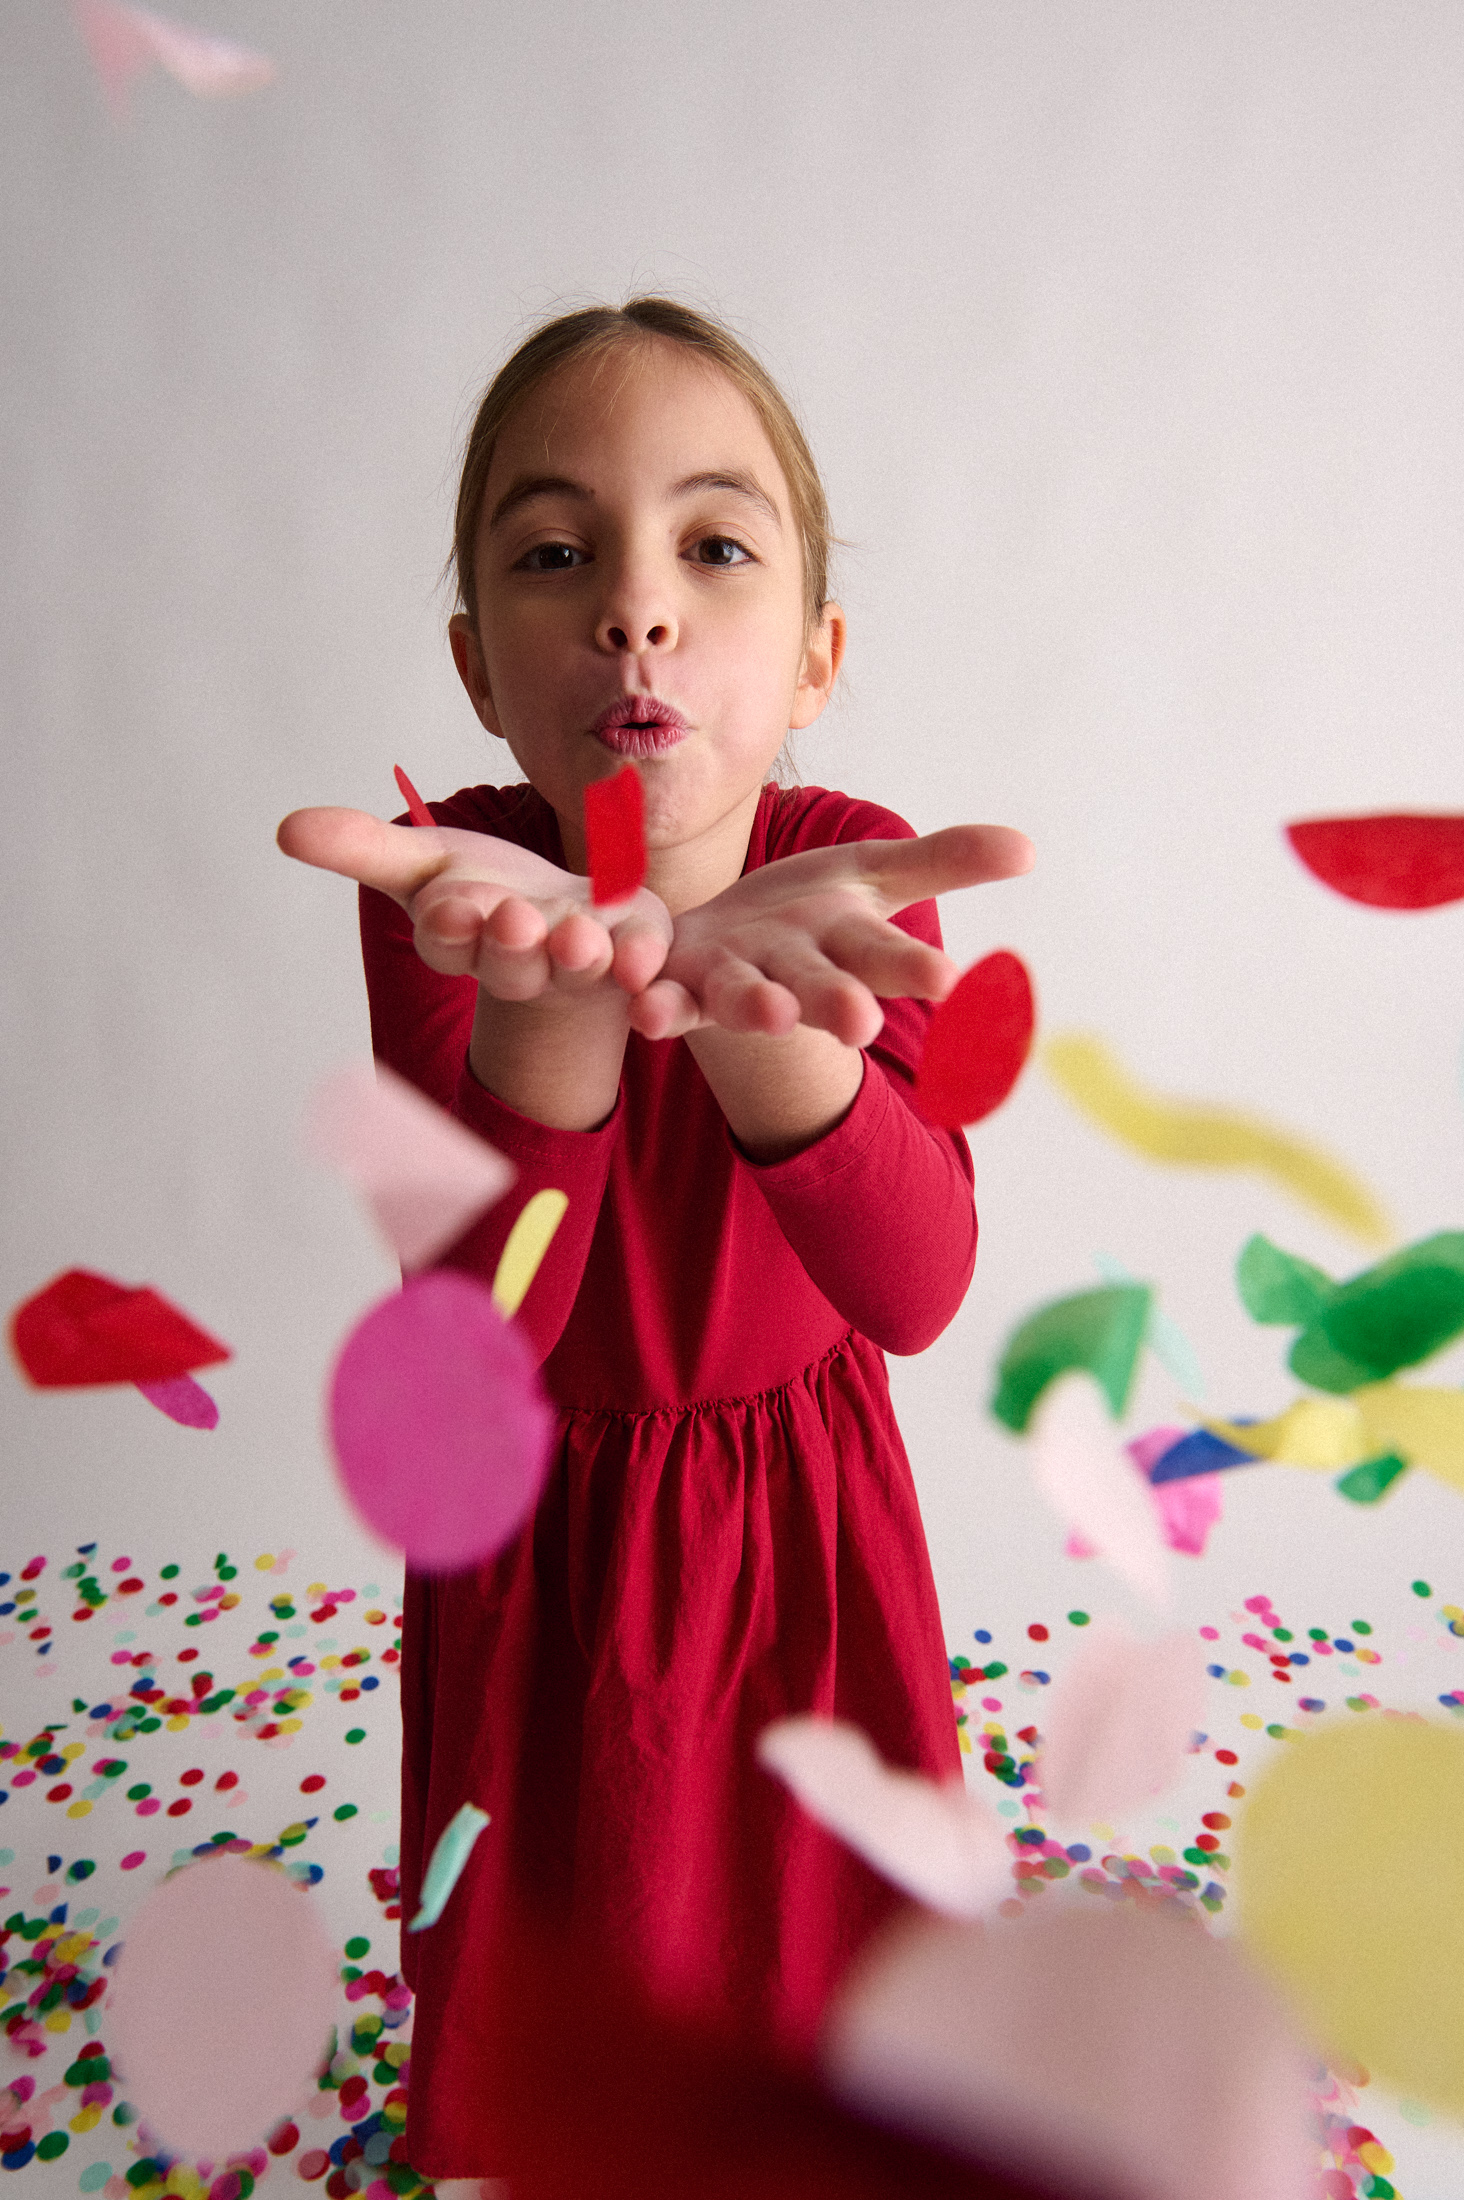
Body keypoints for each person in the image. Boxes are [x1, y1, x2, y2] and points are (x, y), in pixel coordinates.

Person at [277, 297, 1033, 2188]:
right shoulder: (446, 892)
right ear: (477, 663)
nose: (635, 609)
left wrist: (763, 1019)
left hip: (798, 1526)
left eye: (713, 547)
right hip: (551, 1550)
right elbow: (480, 1346)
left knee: (817, 1949)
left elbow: (918, 1290)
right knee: (578, 1943)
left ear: (817, 654)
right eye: (557, 554)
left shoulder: (858, 871)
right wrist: (553, 1005)